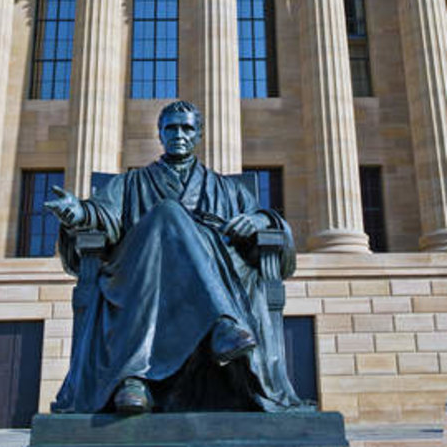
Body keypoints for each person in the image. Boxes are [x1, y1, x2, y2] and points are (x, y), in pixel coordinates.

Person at [45, 100, 302, 415]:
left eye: (187, 128)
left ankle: (133, 380)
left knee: (171, 214)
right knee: (168, 212)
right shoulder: (130, 183)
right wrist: (78, 212)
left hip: (212, 268)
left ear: (198, 135)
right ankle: (222, 325)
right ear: (160, 134)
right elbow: (103, 214)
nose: (179, 134)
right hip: (141, 270)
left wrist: (263, 221)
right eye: (171, 127)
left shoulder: (226, 189)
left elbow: (274, 235)